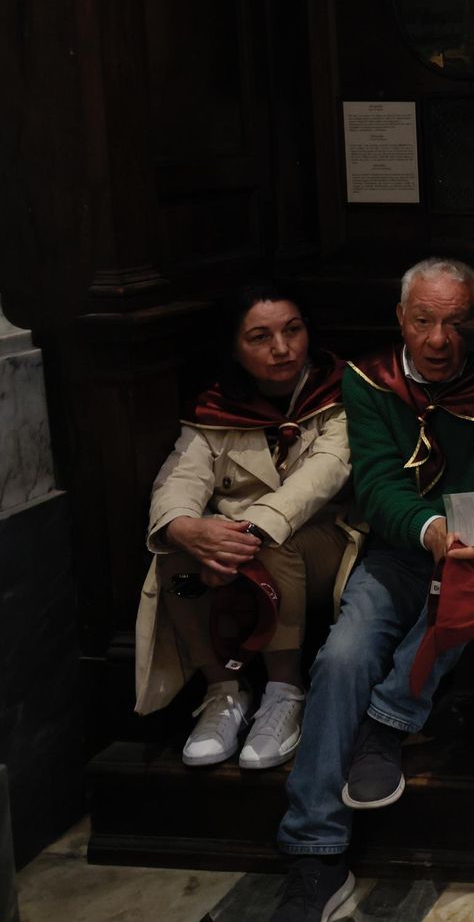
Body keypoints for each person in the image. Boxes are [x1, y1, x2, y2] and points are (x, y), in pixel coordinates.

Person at [272, 258, 474, 922]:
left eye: (456, 322)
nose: (439, 339)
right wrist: (431, 529)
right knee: (343, 654)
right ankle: (314, 851)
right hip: (401, 548)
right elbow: (377, 485)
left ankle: (387, 722)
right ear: (401, 320)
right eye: (424, 321)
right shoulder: (369, 381)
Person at [138, 286, 356, 771]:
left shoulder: (340, 393)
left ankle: (284, 691)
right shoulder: (217, 409)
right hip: (232, 551)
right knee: (173, 553)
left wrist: (239, 538)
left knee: (273, 544)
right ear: (235, 348)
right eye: (261, 337)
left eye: (292, 330)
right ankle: (224, 692)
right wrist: (183, 529)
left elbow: (322, 477)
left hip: (321, 544)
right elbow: (180, 479)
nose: (282, 348)